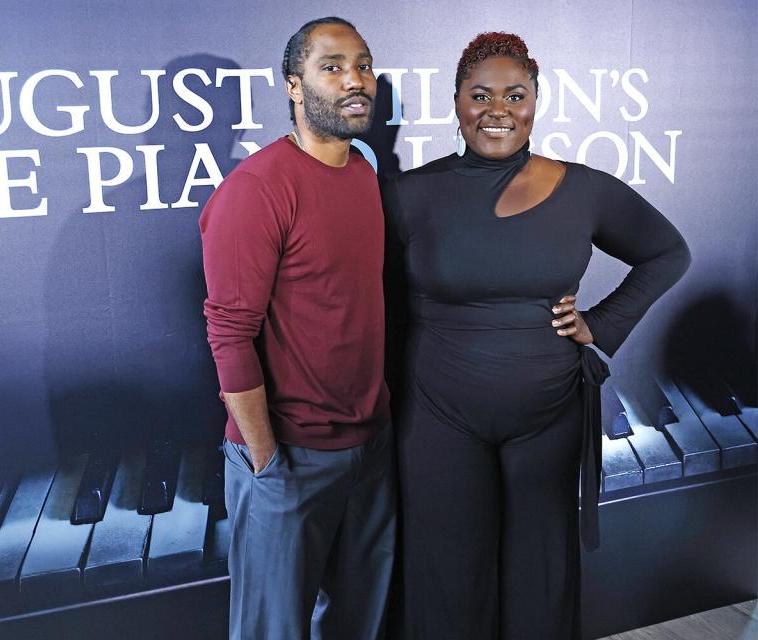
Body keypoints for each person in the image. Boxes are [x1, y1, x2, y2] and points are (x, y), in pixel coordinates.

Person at [383, 32, 690, 639]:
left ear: (536, 102)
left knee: (541, 568)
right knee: (446, 568)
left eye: (515, 95)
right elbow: (378, 301)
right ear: (455, 101)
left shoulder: (585, 188)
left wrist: (599, 325)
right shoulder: (407, 195)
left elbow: (667, 253)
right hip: (438, 414)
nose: (498, 109)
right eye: (480, 95)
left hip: (547, 416)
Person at [199, 16, 395, 640]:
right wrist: (265, 459)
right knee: (273, 631)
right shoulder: (257, 189)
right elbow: (229, 334)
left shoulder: (362, 173)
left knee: (357, 622)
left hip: (369, 449)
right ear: (292, 85)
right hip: (288, 458)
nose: (354, 80)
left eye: (362, 65)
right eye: (331, 67)